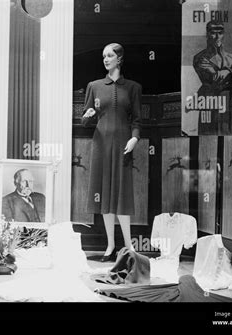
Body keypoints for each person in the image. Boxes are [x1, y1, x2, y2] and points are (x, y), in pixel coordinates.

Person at [82, 43, 141, 262]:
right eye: (103, 56)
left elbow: (137, 119)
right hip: (101, 145)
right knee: (104, 194)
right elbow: (85, 120)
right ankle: (110, 246)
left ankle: (129, 247)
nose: (106, 59)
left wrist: (135, 138)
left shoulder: (133, 87)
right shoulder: (94, 86)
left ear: (119, 59)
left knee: (122, 195)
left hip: (123, 146)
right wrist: (88, 115)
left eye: (110, 55)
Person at [193, 20, 232, 135]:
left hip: (229, 103)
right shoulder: (200, 58)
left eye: (220, 33)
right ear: (207, 34)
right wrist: (230, 74)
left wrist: (227, 72)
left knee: (231, 136)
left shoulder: (230, 57)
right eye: (213, 33)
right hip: (211, 102)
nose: (217, 37)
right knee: (210, 137)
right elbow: (216, 79)